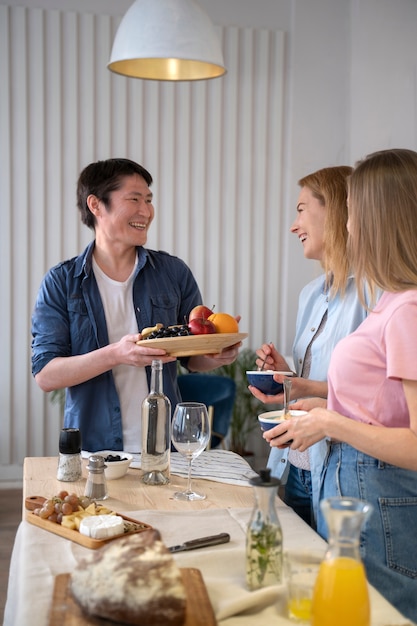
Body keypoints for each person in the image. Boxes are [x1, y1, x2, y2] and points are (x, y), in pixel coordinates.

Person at [263, 148, 417, 622]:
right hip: (352, 485)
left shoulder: (407, 308)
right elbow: (376, 402)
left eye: (355, 212)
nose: (348, 226)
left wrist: (329, 421)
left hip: (376, 492)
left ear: (377, 218)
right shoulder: (393, 300)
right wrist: (314, 401)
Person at [31, 158, 240, 453]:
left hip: (166, 447)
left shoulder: (173, 272)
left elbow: (192, 358)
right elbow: (46, 375)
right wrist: (117, 354)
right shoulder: (62, 282)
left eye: (149, 200)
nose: (147, 211)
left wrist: (218, 353)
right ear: (96, 205)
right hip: (95, 450)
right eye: (134, 199)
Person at [249, 166, 372, 529]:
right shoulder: (311, 295)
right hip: (297, 465)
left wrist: (302, 387)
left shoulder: (374, 294)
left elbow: (376, 398)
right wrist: (285, 373)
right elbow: (313, 380)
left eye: (302, 209)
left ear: (334, 212)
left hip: (341, 468)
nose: (293, 225)